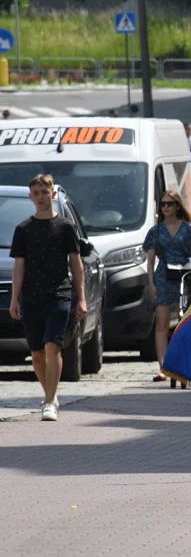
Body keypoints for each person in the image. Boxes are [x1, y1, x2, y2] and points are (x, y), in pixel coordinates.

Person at [8, 174, 86, 422]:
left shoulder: (65, 226)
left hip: (59, 294)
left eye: (44, 192)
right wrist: (15, 298)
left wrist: (81, 298)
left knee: (53, 346)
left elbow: (77, 264)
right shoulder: (23, 229)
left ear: (53, 194)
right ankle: (49, 394)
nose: (41, 197)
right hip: (32, 297)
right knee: (37, 354)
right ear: (30, 197)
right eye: (36, 193)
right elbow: (19, 266)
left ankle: (50, 402)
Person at [142, 189, 191, 383]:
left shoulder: (189, 229)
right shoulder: (156, 231)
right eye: (163, 204)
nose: (165, 207)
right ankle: (163, 367)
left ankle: (183, 365)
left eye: (169, 204)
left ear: (177, 206)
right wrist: (151, 283)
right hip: (163, 276)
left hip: (184, 276)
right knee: (162, 323)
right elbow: (150, 261)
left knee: (184, 322)